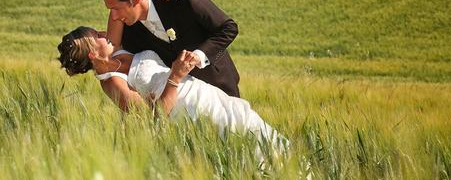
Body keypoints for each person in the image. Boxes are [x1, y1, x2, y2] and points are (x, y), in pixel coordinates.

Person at [57, 26, 289, 158]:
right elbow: (155, 117)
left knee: (253, 128)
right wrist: (175, 77)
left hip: (200, 92)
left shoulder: (116, 48)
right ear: (92, 55)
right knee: (243, 143)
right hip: (188, 110)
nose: (101, 31)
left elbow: (123, 3)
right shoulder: (112, 83)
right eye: (95, 36)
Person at [98, 0, 241, 97]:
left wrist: (198, 55)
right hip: (182, 103)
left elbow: (228, 28)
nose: (114, 17)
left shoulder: (185, 0)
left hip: (220, 84)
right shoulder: (130, 33)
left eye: (116, 9)